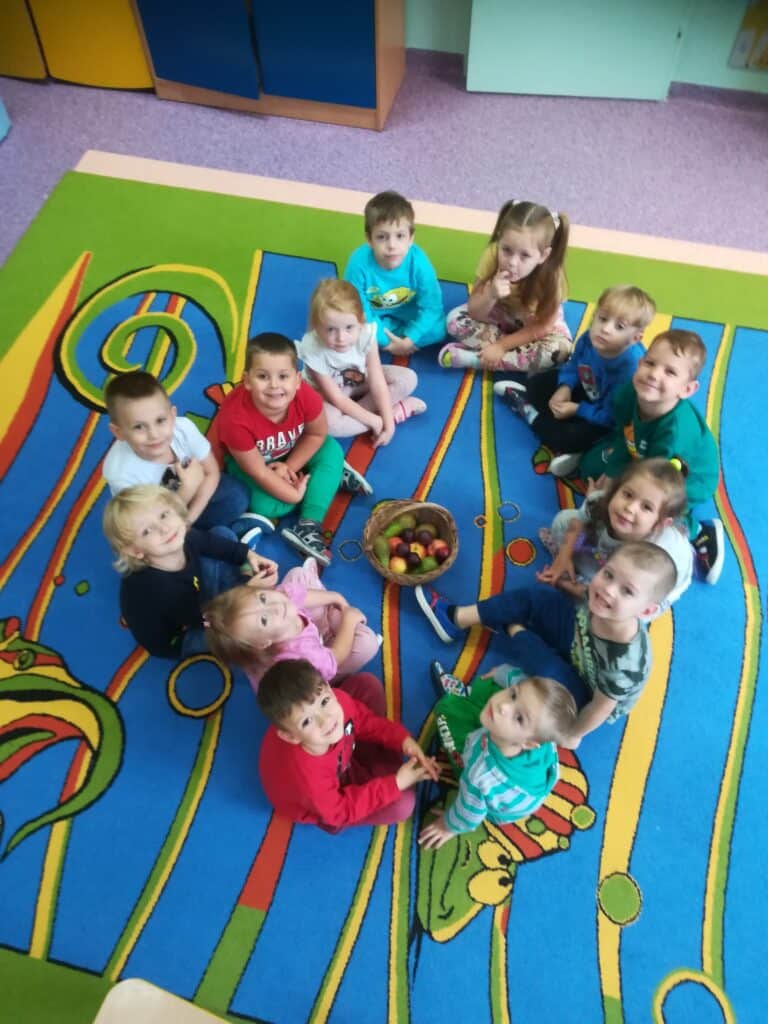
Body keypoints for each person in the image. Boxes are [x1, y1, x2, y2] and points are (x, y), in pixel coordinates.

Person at [415, 540, 678, 748]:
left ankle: (513, 628)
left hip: (584, 692)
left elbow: (601, 707)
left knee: (545, 666)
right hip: (575, 642)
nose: (609, 589)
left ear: (646, 611)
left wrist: (572, 734)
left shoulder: (625, 663)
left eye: (627, 591)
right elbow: (584, 593)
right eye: (608, 574)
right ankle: (458, 618)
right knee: (541, 596)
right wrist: (559, 584)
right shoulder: (604, 599)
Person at [575, 329, 723, 584]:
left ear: (687, 389)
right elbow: (623, 434)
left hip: (683, 478)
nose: (654, 374)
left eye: (670, 372)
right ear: (640, 362)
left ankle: (700, 531)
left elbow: (657, 484)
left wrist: (616, 490)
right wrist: (611, 474)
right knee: (589, 467)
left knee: (655, 520)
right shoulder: (628, 394)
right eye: (650, 363)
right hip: (642, 451)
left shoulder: (676, 432)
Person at [212, 332, 372, 566]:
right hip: (252, 464)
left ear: (297, 380)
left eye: (283, 376)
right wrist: (293, 494)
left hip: (294, 451)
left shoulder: (306, 396)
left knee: (332, 450)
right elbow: (258, 472)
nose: (274, 385)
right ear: (246, 380)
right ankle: (325, 479)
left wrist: (288, 467)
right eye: (263, 376)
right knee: (268, 506)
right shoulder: (234, 420)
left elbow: (316, 434)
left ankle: (308, 525)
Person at [257, 659, 439, 831]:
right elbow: (339, 812)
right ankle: (386, 775)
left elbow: (365, 720)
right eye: (306, 721)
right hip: (328, 801)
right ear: (291, 737)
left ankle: (384, 774)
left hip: (340, 753)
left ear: (329, 688)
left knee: (367, 685)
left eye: (324, 701)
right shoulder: (308, 778)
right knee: (402, 805)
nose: (326, 720)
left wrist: (402, 740)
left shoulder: (337, 703)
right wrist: (395, 784)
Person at [102, 484, 277, 659]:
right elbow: (206, 618)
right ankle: (241, 581)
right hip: (182, 633)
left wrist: (249, 555)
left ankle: (241, 578)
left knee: (221, 534)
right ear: (135, 550)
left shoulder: (178, 537)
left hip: (194, 590)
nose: (164, 528)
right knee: (232, 636)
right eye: (146, 531)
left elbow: (208, 542)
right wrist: (245, 590)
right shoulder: (159, 589)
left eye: (164, 515)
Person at [494, 284, 655, 471]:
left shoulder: (630, 370)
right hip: (586, 391)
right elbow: (573, 365)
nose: (605, 329)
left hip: (606, 415)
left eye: (619, 327)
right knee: (537, 384)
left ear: (635, 338)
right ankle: (561, 430)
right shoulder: (590, 338)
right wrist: (565, 387)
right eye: (602, 318)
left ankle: (529, 412)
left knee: (564, 437)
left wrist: (577, 410)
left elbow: (612, 417)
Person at [417, 664, 577, 849]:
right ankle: (485, 701)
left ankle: (463, 699)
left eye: (519, 718)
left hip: (494, 799)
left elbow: (469, 813)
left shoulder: (481, 774)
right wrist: (502, 673)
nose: (504, 706)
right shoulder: (538, 734)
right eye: (513, 695)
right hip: (506, 745)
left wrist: (448, 826)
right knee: (495, 684)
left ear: (529, 744)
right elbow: (521, 681)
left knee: (446, 710)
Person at [538, 458, 693, 617]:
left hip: (650, 583)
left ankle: (593, 583)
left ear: (660, 524)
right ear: (616, 489)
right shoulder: (598, 501)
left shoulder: (651, 558)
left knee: (620, 611)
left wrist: (569, 586)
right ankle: (594, 576)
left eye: (646, 507)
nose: (630, 508)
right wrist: (563, 557)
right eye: (628, 494)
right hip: (609, 554)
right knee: (562, 522)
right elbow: (577, 524)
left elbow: (627, 593)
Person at [103, 370, 251, 532]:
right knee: (158, 543)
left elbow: (212, 472)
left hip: (189, 502)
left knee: (237, 496)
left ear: (172, 416)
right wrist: (187, 488)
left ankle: (205, 535)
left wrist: (188, 521)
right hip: (155, 522)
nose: (154, 435)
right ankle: (208, 538)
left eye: (160, 420)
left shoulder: (183, 428)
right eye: (139, 427)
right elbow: (150, 526)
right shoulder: (121, 474)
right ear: (119, 432)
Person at [203, 556, 380, 692]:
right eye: (264, 619)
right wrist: (348, 621)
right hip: (311, 672)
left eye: (262, 598)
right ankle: (333, 676)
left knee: (297, 575)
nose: (274, 606)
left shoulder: (279, 603)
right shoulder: (299, 658)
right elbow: (336, 656)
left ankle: (327, 621)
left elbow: (298, 596)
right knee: (367, 644)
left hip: (307, 635)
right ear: (264, 643)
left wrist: (336, 597)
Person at [440, 199, 572, 374]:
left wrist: (501, 346)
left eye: (525, 255)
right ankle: (505, 356)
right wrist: (491, 295)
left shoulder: (552, 276)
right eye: (506, 250)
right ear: (500, 240)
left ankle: (476, 359)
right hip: (501, 317)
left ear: (543, 256)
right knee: (453, 321)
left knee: (561, 352)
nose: (512, 262)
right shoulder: (492, 255)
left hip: (534, 328)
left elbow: (543, 327)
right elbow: (474, 311)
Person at [298, 279, 426, 445]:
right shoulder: (312, 348)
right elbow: (337, 398)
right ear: (316, 327)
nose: (341, 338)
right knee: (329, 425)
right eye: (330, 329)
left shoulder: (366, 333)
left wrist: (388, 424)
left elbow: (377, 380)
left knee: (408, 378)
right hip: (327, 394)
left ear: (361, 322)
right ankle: (394, 411)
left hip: (358, 379)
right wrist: (375, 421)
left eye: (349, 327)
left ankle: (377, 415)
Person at [343, 190, 445, 356]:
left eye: (400, 236)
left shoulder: (419, 263)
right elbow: (357, 309)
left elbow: (432, 307)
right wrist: (387, 343)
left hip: (409, 314)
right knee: (345, 326)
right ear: (369, 239)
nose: (391, 245)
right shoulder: (358, 264)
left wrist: (411, 338)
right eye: (382, 237)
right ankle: (389, 340)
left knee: (439, 329)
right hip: (373, 318)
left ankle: (390, 339)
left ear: (411, 239)